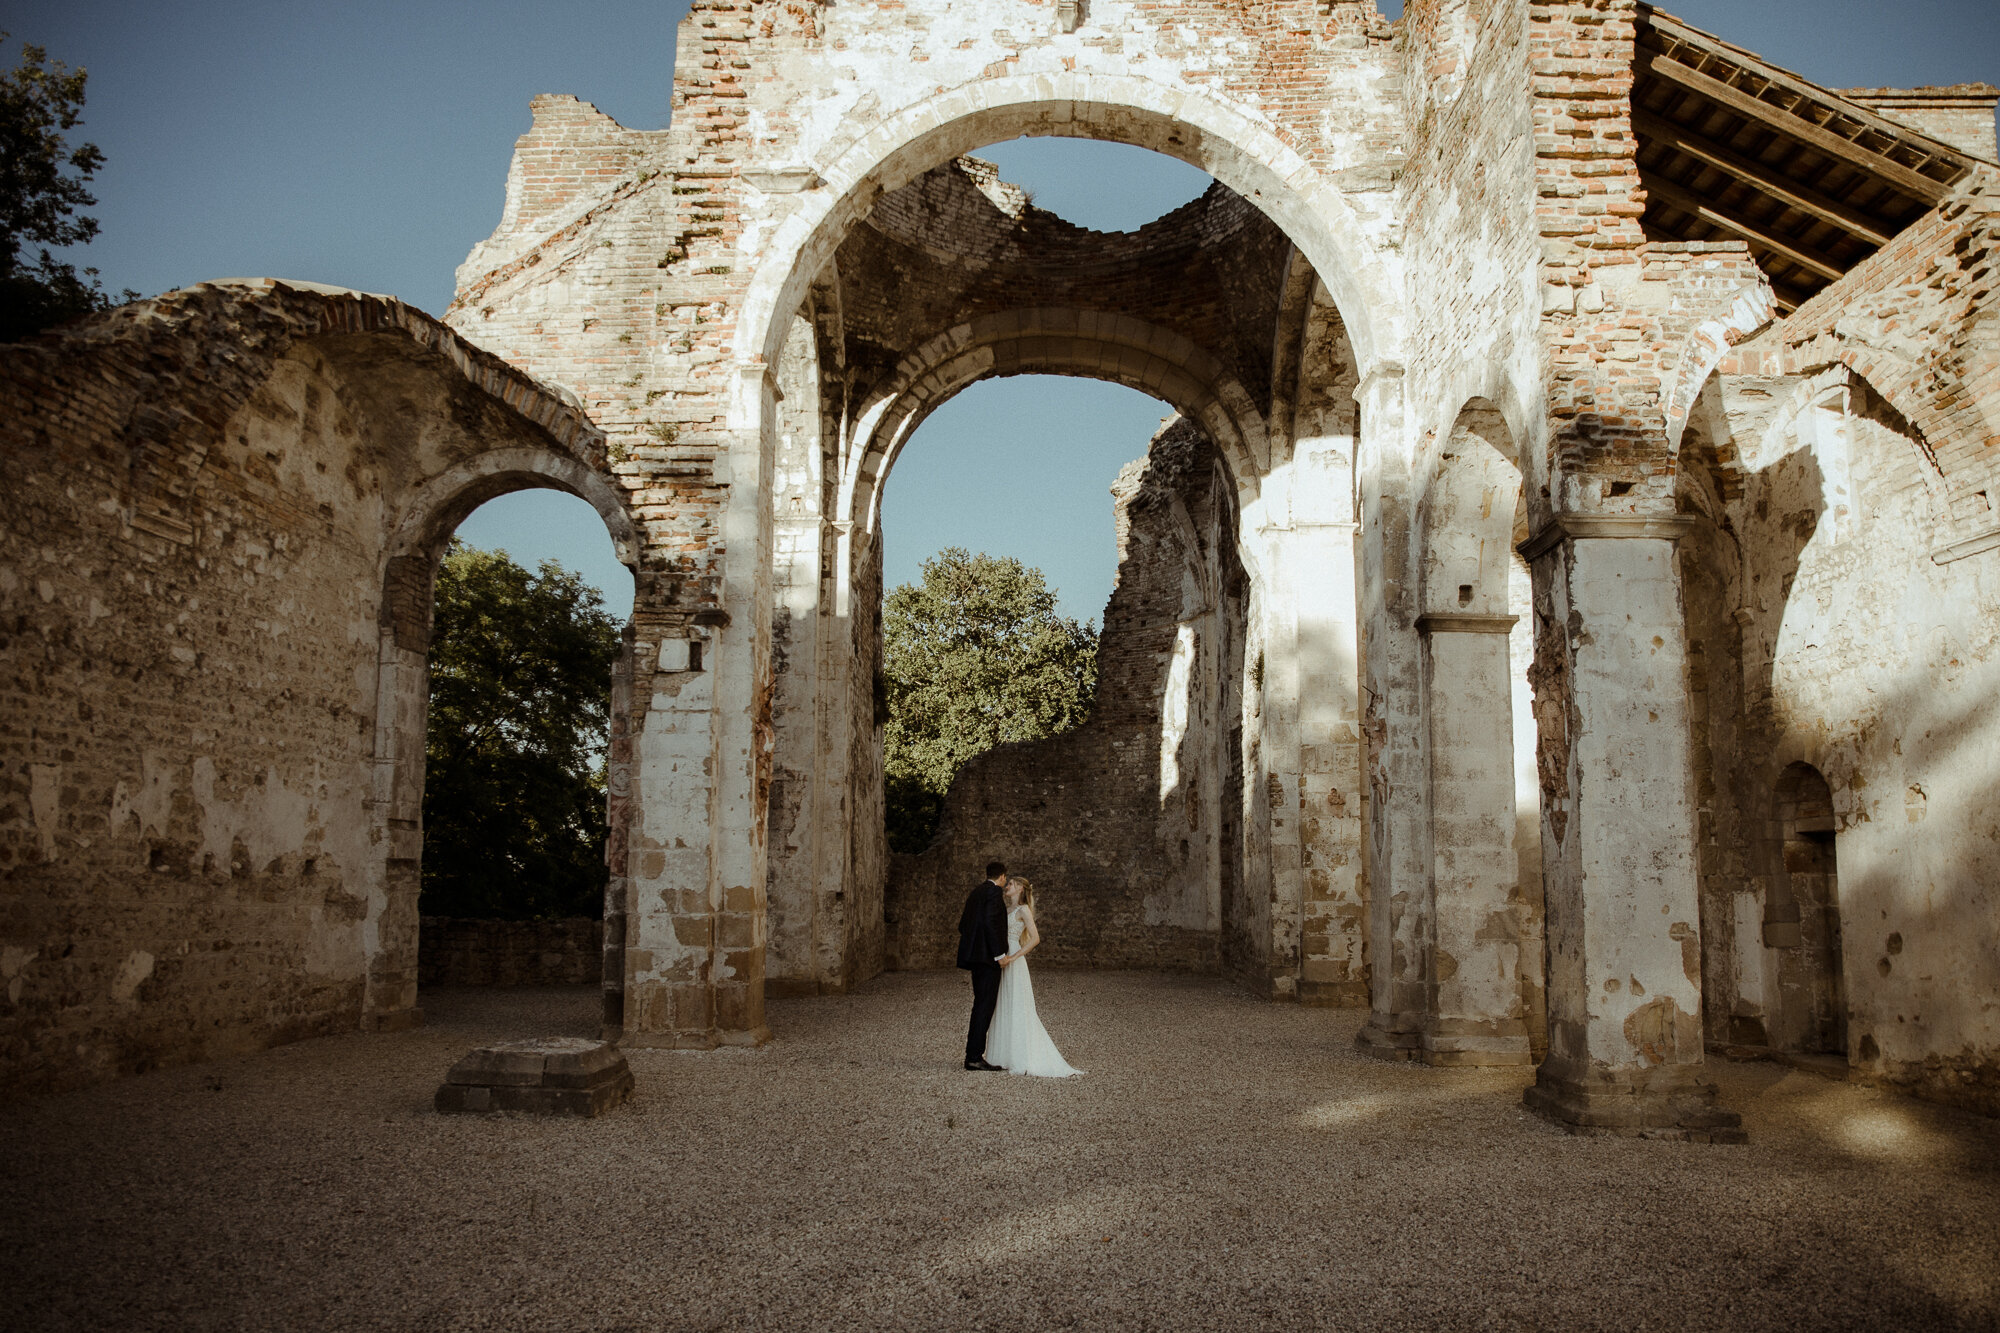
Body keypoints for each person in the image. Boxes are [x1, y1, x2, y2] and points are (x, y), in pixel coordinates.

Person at [983, 876, 1083, 1078]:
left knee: (1017, 1004)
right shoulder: (1006, 909)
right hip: (1002, 957)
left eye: (1010, 884)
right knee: (1003, 1003)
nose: (1007, 887)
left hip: (1013, 958)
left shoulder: (1023, 910)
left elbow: (1035, 938)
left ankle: (1021, 1055)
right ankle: (1002, 1055)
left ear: (1019, 888)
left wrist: (1016, 956)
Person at [956, 861, 1010, 1071]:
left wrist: (975, 947)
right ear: (1003, 876)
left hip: (976, 959)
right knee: (984, 1007)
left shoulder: (975, 893)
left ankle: (973, 1054)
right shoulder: (994, 893)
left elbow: (963, 925)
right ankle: (974, 1057)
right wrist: (999, 955)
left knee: (980, 1004)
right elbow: (990, 923)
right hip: (988, 960)